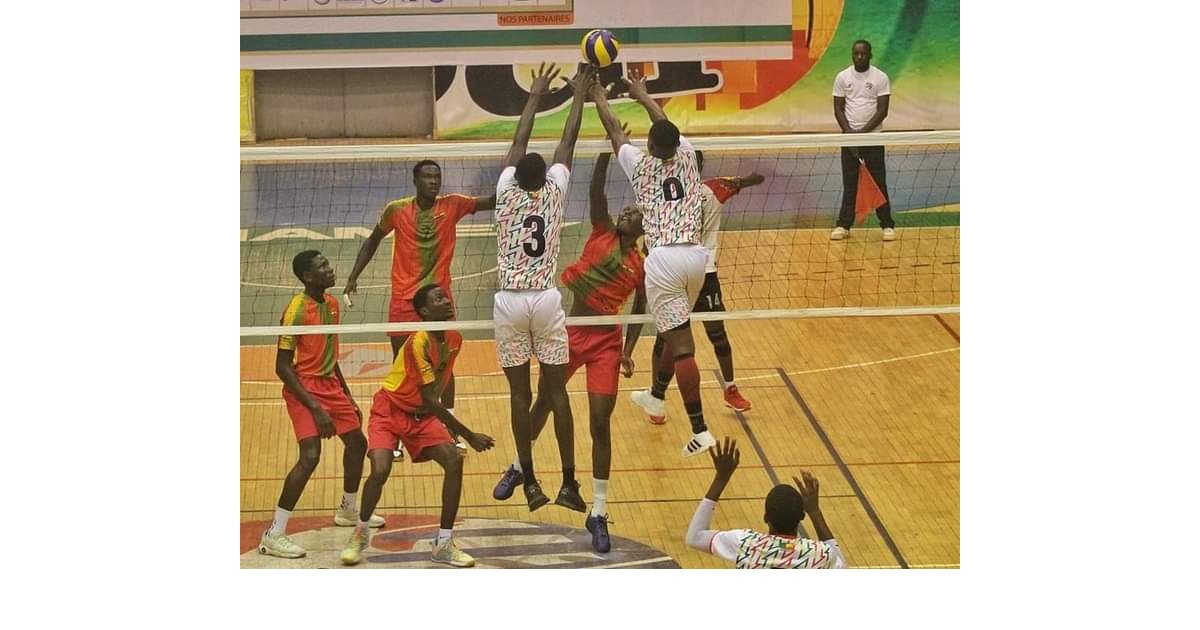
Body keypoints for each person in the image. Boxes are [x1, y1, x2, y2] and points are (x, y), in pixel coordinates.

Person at [492, 147, 646, 553]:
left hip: (606, 343)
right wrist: (604, 154)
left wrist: (628, 348)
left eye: (635, 211)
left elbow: (641, 309)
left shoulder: (641, 265)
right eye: (627, 208)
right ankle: (518, 467)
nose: (628, 211)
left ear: (644, 225)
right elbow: (597, 192)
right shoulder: (602, 230)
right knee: (543, 401)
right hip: (571, 331)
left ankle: (598, 511)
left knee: (599, 423)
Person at [589, 67, 717, 457]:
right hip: (696, 258)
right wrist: (644, 95)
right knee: (670, 333)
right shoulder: (689, 157)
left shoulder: (640, 166)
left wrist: (598, 94)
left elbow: (615, 130)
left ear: (650, 144)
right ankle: (656, 397)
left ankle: (700, 430)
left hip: (662, 260)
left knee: (682, 345)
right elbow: (664, 124)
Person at [493, 63, 594, 511]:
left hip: (510, 302)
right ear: (544, 178)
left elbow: (519, 141)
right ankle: (570, 483)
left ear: (516, 177)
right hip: (546, 300)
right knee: (557, 393)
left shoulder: (505, 192)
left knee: (520, 395)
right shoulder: (554, 193)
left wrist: (534, 95)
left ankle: (530, 481)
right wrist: (579, 95)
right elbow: (567, 143)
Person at [343, 160, 493, 460]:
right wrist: (353, 276)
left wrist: (519, 176)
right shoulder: (396, 210)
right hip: (404, 300)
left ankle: (448, 428)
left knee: (444, 366)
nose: (433, 181)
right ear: (415, 180)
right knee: (402, 366)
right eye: (427, 177)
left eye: (437, 176)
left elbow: (492, 200)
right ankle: (398, 432)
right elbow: (372, 241)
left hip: (438, 302)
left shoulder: (453, 205)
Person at [339, 284, 496, 568]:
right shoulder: (418, 342)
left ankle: (444, 544)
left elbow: (443, 380)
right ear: (424, 311)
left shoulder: (454, 339)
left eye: (446, 296)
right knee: (380, 468)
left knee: (454, 461)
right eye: (439, 298)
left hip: (423, 416)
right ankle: (360, 533)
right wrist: (468, 434)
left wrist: (448, 422)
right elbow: (429, 398)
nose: (446, 300)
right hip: (390, 410)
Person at [258, 250, 383, 559]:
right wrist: (315, 408)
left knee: (357, 443)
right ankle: (274, 534)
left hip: (330, 384)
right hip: (302, 387)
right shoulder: (296, 311)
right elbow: (282, 367)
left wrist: (347, 395)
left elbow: (330, 355)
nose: (330, 269)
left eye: (328, 264)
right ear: (307, 277)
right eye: (322, 267)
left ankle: (348, 510)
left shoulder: (332, 304)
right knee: (310, 456)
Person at [639, 150, 764, 424]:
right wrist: (745, 180)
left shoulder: (669, 194)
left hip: (694, 272)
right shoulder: (715, 187)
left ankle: (727, 389)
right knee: (680, 338)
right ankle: (658, 398)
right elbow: (754, 178)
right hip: (686, 272)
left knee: (693, 336)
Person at [685, 438, 847, 568]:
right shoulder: (820, 554)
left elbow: (694, 537)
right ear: (802, 516)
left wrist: (721, 478)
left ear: (765, 517)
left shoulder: (746, 544)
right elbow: (841, 565)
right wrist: (815, 512)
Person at [831, 39, 895, 242]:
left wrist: (863, 135)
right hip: (849, 140)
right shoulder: (842, 77)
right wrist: (850, 135)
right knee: (850, 184)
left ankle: (887, 225)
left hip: (873, 139)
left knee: (878, 182)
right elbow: (838, 109)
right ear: (852, 55)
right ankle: (843, 225)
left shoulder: (880, 77)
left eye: (863, 54)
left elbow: (882, 110)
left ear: (870, 55)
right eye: (856, 53)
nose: (859, 57)